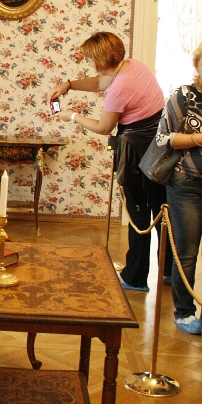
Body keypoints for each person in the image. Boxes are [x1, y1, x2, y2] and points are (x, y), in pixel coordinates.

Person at [49, 31, 170, 292]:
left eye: (92, 58)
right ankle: (170, 271)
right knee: (163, 210)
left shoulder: (119, 88)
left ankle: (136, 277)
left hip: (137, 151)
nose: (90, 62)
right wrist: (68, 85)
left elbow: (104, 127)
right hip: (159, 148)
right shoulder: (133, 66)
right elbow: (100, 82)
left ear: (101, 59)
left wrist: (72, 116)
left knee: (138, 215)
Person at [155, 41, 202, 334]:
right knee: (187, 253)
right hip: (188, 184)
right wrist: (198, 139)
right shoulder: (184, 96)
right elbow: (163, 138)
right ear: (197, 65)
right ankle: (184, 313)